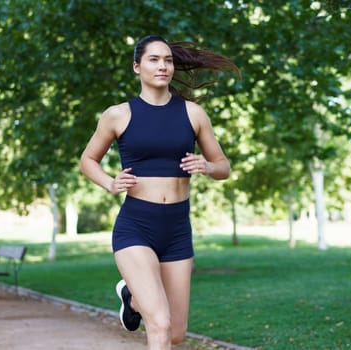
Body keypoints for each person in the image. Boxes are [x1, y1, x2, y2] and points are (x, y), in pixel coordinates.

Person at [79, 35, 240, 349]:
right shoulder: (118, 115)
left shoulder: (193, 114)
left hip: (177, 229)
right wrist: (109, 183)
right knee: (160, 325)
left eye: (167, 59)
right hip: (136, 226)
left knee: (176, 333)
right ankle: (136, 295)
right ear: (137, 66)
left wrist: (207, 166)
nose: (163, 65)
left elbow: (224, 166)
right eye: (154, 59)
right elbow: (88, 159)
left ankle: (131, 297)